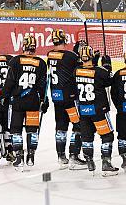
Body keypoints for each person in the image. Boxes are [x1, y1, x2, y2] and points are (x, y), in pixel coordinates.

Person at [3, 34, 47, 169]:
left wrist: (4, 95)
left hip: (17, 101)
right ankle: (31, 156)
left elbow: (9, 82)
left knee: (16, 130)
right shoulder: (41, 63)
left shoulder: (15, 61)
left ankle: (19, 157)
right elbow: (43, 85)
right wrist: (44, 100)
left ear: (24, 46)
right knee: (32, 130)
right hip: (33, 101)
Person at [45, 30, 86, 168]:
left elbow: (65, 61)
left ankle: (61, 156)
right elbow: (81, 69)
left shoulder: (50, 54)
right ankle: (74, 156)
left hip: (57, 97)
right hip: (70, 98)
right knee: (78, 125)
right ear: (64, 40)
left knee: (61, 127)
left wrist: (75, 51)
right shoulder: (71, 56)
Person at [74, 43, 117, 174]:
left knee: (87, 137)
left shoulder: (75, 70)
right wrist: (107, 65)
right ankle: (106, 163)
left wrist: (97, 63)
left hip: (84, 109)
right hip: (98, 109)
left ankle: (89, 160)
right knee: (107, 136)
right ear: (92, 56)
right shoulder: (100, 71)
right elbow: (110, 80)